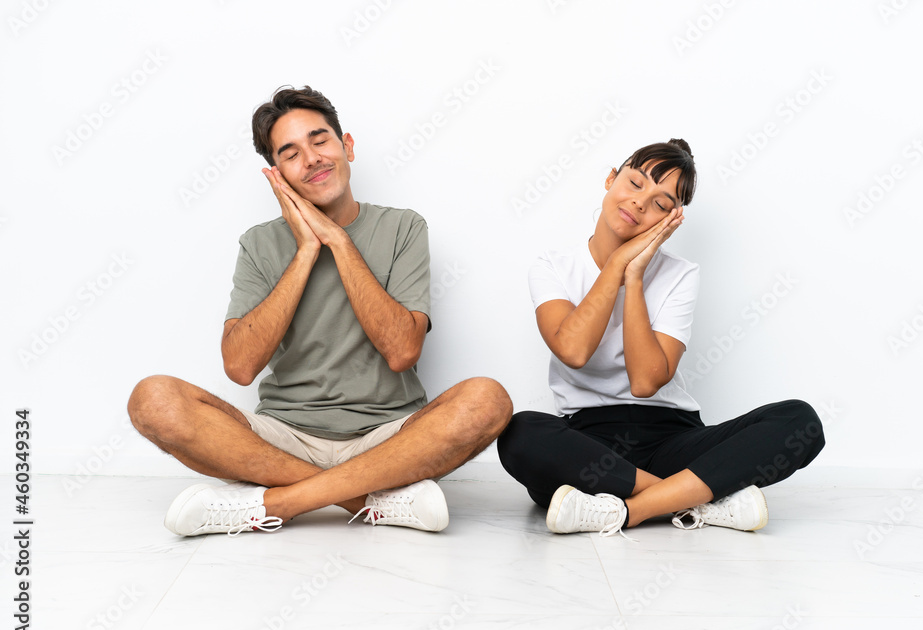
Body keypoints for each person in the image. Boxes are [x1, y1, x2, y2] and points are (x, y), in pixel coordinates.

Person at [127, 86, 512, 537]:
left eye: (320, 140)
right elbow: (240, 366)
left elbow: (402, 351)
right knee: (151, 399)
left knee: (488, 399)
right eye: (291, 153)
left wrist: (338, 241)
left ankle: (277, 503)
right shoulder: (259, 243)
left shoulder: (404, 227)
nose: (311, 158)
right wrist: (307, 248)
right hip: (283, 436)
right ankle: (370, 501)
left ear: (346, 146)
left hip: (388, 438)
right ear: (278, 175)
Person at [497, 140, 824, 537]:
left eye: (660, 203)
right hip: (590, 440)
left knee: (799, 420)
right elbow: (573, 350)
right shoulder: (553, 266)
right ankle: (698, 499)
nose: (639, 203)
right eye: (635, 184)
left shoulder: (680, 274)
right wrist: (618, 263)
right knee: (520, 434)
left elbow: (645, 382)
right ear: (610, 179)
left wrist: (634, 278)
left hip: (673, 437)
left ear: (673, 219)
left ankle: (626, 511)